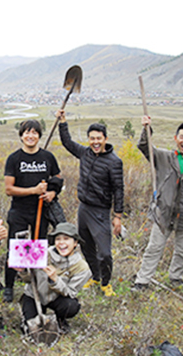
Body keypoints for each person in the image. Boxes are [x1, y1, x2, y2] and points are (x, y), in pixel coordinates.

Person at [132, 116, 183, 291]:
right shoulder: (164, 157)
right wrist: (146, 130)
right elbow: (145, 147)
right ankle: (142, 281)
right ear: (175, 139)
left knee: (182, 250)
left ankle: (176, 278)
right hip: (163, 214)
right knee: (154, 248)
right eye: (181, 137)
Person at [57, 110, 123, 297]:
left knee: (104, 253)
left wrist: (117, 216)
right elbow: (67, 143)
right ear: (88, 139)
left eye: (98, 139)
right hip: (83, 208)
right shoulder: (85, 153)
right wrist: (63, 122)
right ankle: (95, 277)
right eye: (92, 138)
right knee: (86, 247)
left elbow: (119, 189)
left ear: (105, 139)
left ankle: (106, 283)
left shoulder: (114, 162)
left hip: (101, 211)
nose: (95, 142)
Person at [3, 120, 63, 302]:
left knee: (38, 247)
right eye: (27, 133)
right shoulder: (14, 159)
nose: (30, 136)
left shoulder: (47, 157)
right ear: (21, 135)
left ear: (39, 136)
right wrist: (33, 191)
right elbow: (9, 189)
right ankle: (9, 286)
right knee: (16, 248)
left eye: (34, 133)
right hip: (20, 210)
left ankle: (36, 283)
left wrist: (52, 192)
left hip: (41, 211)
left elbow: (58, 179)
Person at [17, 222, 91, 333]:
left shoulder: (82, 268)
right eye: (58, 239)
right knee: (30, 329)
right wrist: (22, 271)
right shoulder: (42, 253)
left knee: (71, 306)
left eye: (66, 239)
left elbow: (70, 292)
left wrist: (55, 280)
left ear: (75, 243)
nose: (62, 243)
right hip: (35, 295)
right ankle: (35, 314)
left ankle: (60, 319)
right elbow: (28, 279)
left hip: (57, 298)